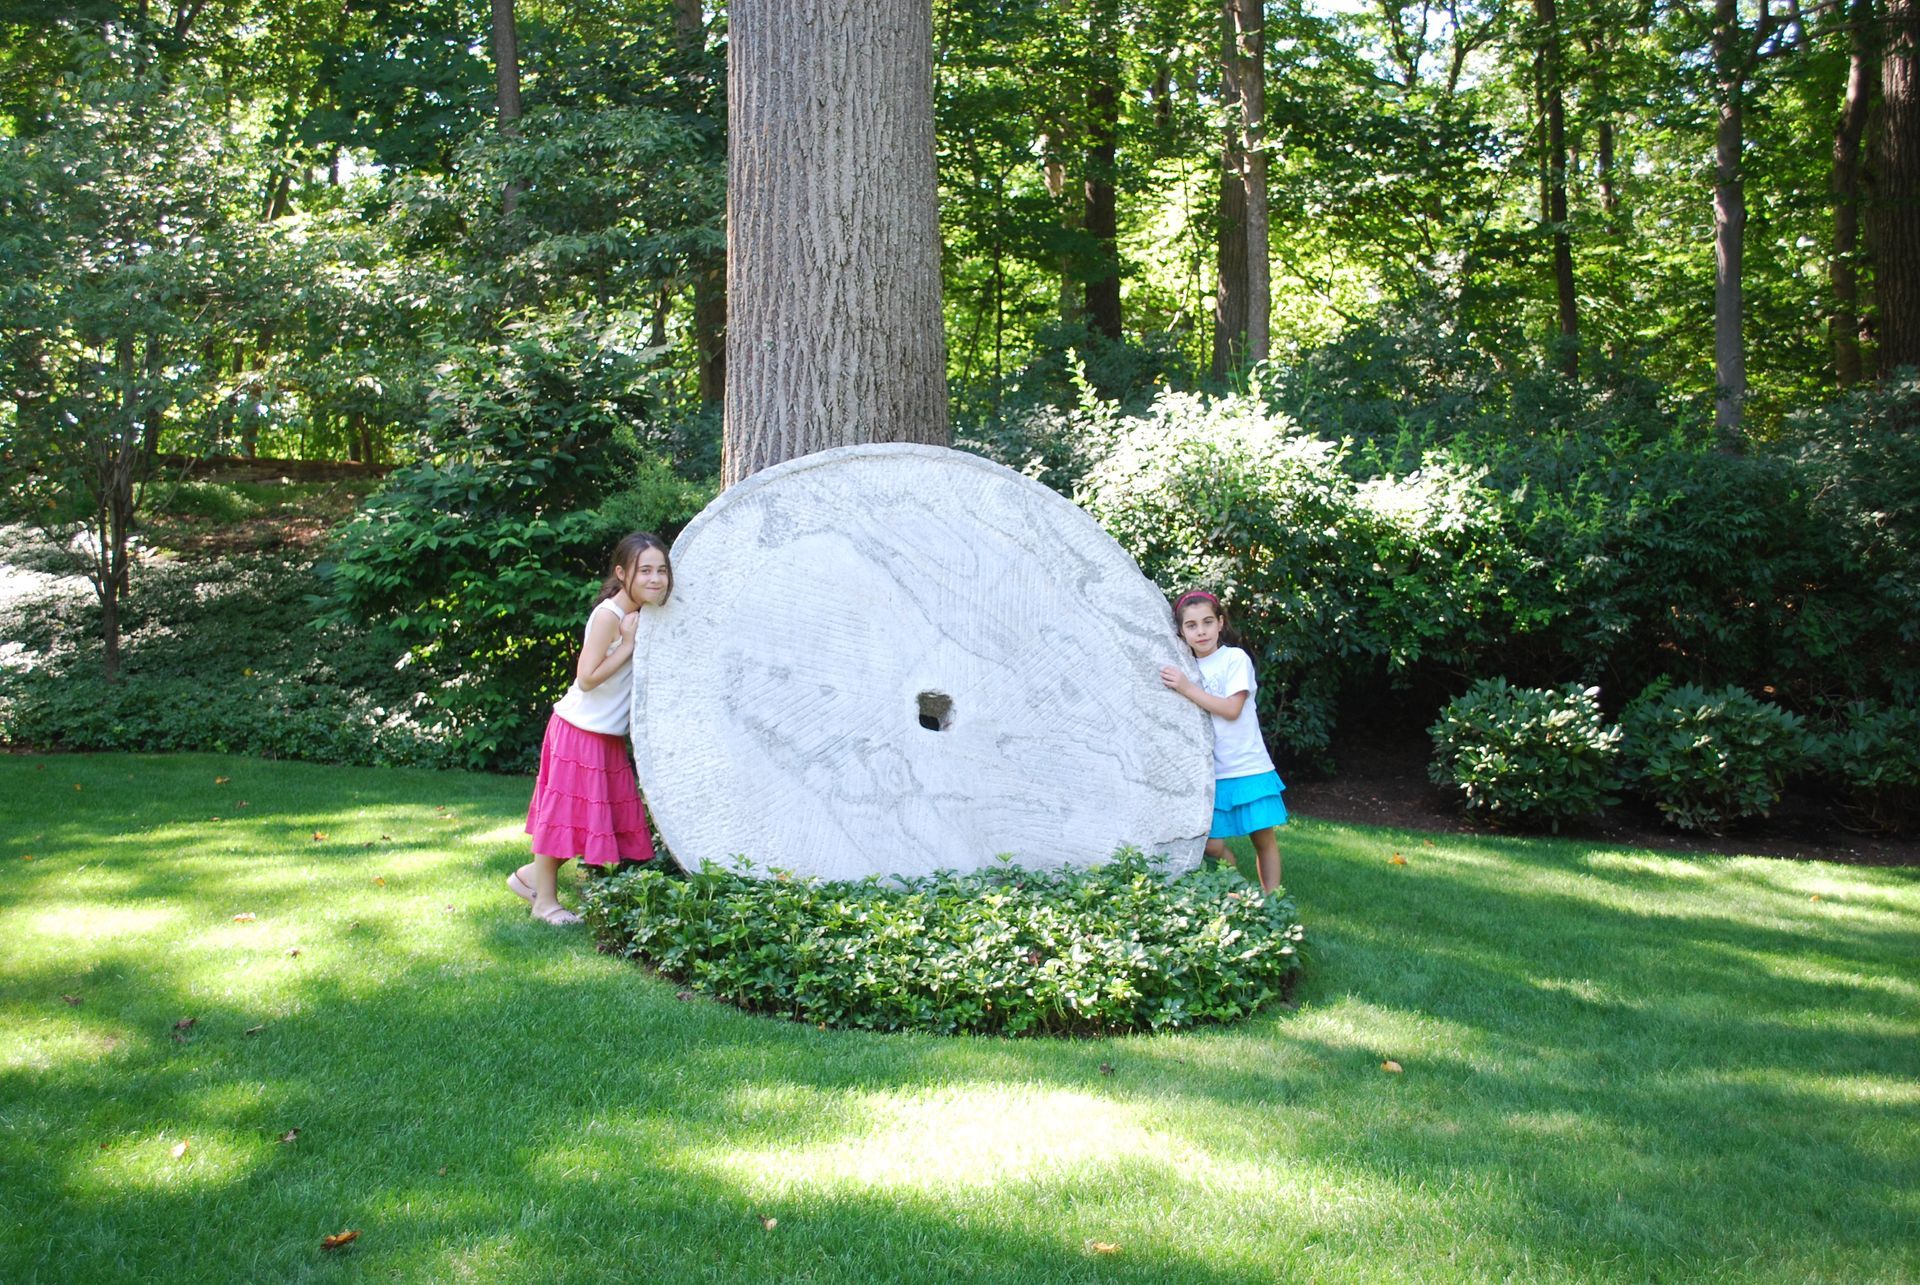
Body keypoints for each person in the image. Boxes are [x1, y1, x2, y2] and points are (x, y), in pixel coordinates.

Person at [509, 533, 670, 925]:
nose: (655, 579)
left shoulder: (644, 614)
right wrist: (628, 645)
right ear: (621, 572)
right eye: (644, 570)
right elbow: (586, 679)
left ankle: (528, 878)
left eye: (661, 570)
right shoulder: (609, 616)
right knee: (562, 816)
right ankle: (544, 903)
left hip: (605, 735)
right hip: (578, 730)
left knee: (589, 817)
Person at [1159, 589, 1287, 894]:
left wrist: (1187, 688)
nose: (1200, 631)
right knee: (1212, 845)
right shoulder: (1186, 667)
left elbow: (1232, 709)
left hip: (1246, 766)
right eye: (1191, 625)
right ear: (1181, 632)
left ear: (1220, 623)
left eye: (1207, 622)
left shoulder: (1234, 659)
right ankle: (1241, 888)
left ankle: (1272, 899)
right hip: (1211, 774)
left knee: (1262, 838)